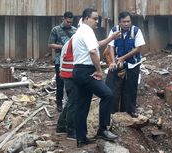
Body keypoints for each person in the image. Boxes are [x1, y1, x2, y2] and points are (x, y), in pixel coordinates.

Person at [72, 8, 121, 148]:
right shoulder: (87, 31)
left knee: (82, 105)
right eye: (95, 18)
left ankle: (81, 138)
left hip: (78, 71)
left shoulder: (80, 31)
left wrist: (111, 38)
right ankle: (102, 129)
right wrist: (99, 71)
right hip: (87, 71)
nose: (97, 21)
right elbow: (93, 51)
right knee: (107, 94)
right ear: (86, 19)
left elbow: (96, 45)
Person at [105, 11, 145, 118]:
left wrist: (124, 58)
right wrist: (113, 62)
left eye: (128, 21)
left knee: (131, 88)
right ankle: (112, 111)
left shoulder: (136, 31)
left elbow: (138, 48)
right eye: (124, 22)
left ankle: (130, 110)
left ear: (131, 21)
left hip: (133, 63)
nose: (126, 24)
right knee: (113, 86)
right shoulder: (114, 31)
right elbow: (111, 46)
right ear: (119, 22)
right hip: (118, 62)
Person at [48, 11, 77, 112]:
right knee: (60, 83)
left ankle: (69, 102)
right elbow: (50, 44)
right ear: (63, 19)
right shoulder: (56, 30)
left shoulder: (75, 30)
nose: (69, 24)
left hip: (72, 62)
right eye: (68, 22)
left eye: (71, 22)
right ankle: (59, 103)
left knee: (72, 83)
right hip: (59, 60)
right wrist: (64, 47)